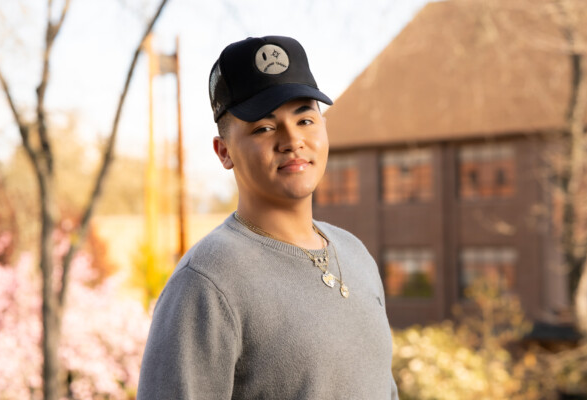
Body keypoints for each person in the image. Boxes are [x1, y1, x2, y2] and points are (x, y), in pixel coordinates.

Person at [137, 35, 398, 399]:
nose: (292, 140)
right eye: (264, 127)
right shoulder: (206, 282)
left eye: (305, 119)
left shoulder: (355, 253)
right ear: (224, 151)